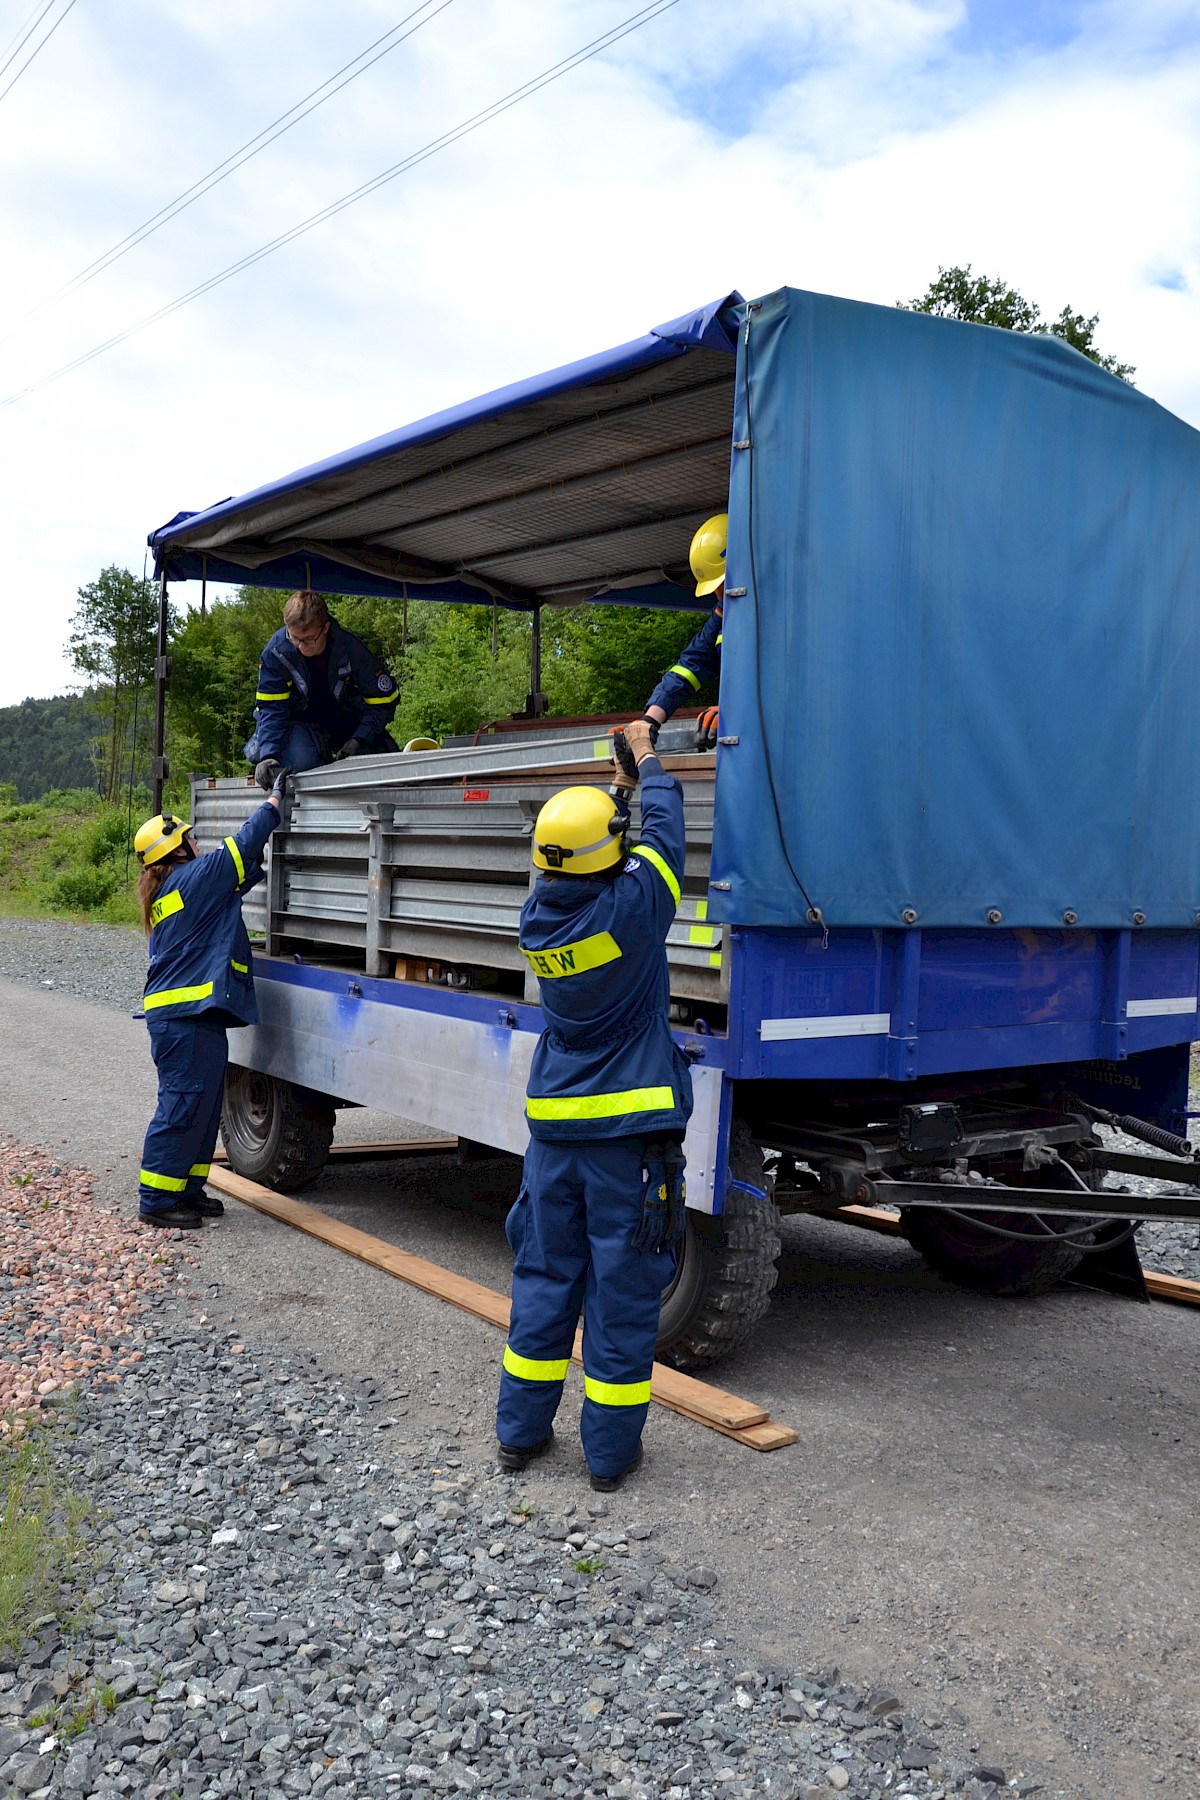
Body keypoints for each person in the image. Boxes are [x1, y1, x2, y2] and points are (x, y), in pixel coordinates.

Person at [496, 719, 692, 1492]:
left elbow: (598, 860)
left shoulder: (539, 916)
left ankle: (519, 1436)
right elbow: (667, 834)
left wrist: (616, 793)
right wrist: (646, 756)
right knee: (621, 1291)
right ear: (609, 856)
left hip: (554, 1138)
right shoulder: (634, 909)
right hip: (626, 1142)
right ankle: (609, 1458)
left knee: (545, 1278)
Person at [132, 764, 289, 1228]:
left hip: (191, 1017)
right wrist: (274, 802)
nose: (197, 842)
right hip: (184, 1019)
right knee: (182, 1104)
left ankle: (187, 1189)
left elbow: (234, 879)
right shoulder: (192, 879)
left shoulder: (178, 887)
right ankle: (157, 1201)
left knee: (201, 1105)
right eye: (189, 837)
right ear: (177, 848)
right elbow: (242, 848)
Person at [245, 590, 400, 789]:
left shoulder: (351, 650)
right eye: (294, 638)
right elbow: (272, 709)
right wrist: (268, 754)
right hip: (296, 725)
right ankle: (260, 749)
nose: (300, 646)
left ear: (325, 628)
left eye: (308, 639)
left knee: (378, 761)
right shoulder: (276, 652)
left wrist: (359, 739)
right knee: (301, 762)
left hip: (342, 722)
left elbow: (383, 702)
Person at [642, 512, 726, 750]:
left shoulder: (784, 612)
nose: (717, 595)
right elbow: (691, 665)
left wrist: (738, 714)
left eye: (721, 583)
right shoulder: (724, 614)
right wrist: (648, 720)